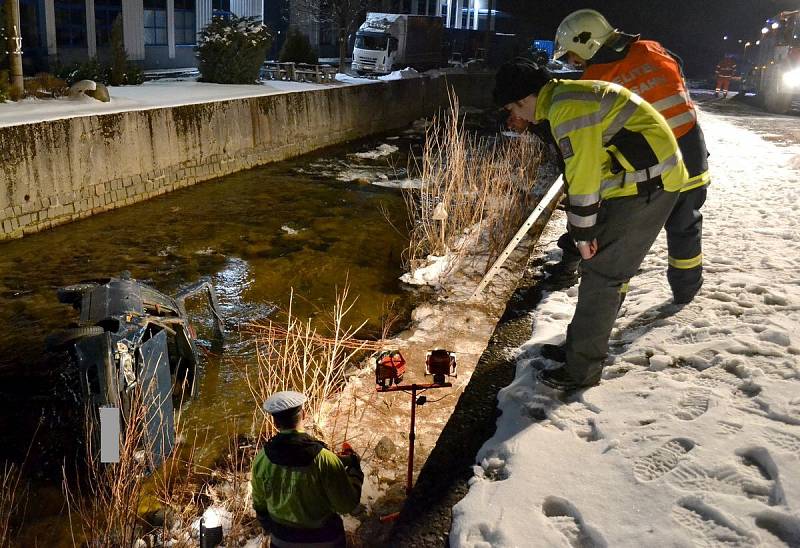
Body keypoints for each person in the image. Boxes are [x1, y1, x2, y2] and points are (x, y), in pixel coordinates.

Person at [494, 59, 688, 390]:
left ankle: (580, 371)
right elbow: (586, 166)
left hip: (649, 187)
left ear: (526, 99)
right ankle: (577, 348)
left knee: (603, 275)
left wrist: (582, 232)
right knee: (599, 272)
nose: (516, 116)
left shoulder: (567, 110)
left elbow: (583, 176)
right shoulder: (565, 99)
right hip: (639, 180)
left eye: (514, 107)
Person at [545, 9, 710, 311]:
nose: (572, 63)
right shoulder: (651, 48)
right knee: (686, 226)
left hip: (650, 167)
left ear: (586, 44)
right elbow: (679, 71)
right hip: (692, 150)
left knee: (617, 243)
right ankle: (686, 292)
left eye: (572, 56)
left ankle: (605, 308)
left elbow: (585, 173)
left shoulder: (596, 80)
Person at [251, 391, 363, 547]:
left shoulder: (261, 459)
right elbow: (346, 505)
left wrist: (271, 528)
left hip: (281, 541)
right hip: (325, 540)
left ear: (275, 423)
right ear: (303, 414)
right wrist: (355, 473)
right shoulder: (325, 459)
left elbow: (260, 505)